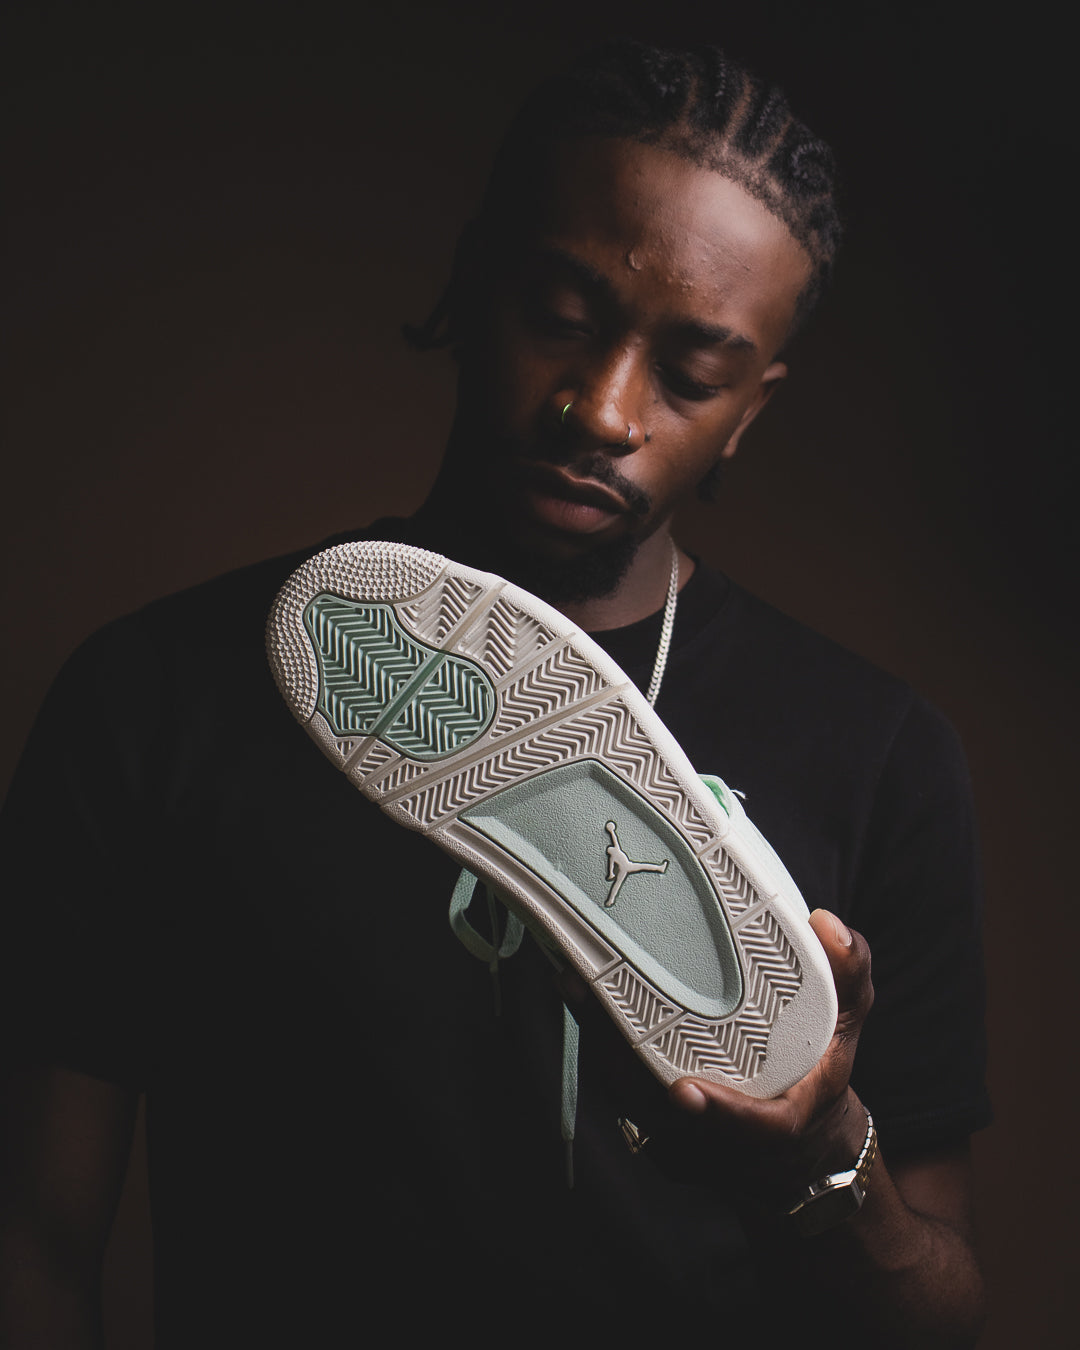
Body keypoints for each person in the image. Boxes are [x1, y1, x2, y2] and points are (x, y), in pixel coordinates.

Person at [0, 41, 990, 1347]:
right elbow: (34, 1247)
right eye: (562, 317)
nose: (604, 408)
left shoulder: (880, 752)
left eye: (692, 373)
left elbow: (943, 1318)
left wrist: (825, 1164)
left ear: (752, 409)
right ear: (473, 279)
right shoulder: (154, 697)